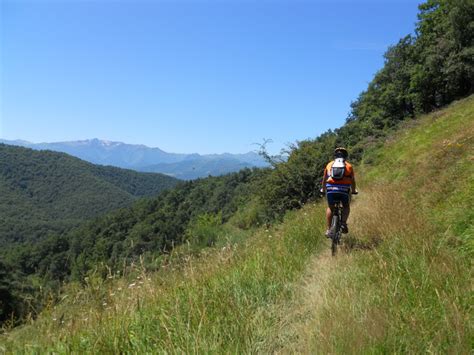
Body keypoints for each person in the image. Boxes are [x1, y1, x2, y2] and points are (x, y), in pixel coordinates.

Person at [321, 147, 358, 237]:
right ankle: (343, 223)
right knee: (346, 206)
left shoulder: (329, 165)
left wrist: (323, 189)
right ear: (345, 156)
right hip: (344, 190)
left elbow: (324, 179)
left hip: (330, 189)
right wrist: (353, 190)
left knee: (330, 207)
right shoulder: (349, 166)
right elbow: (352, 180)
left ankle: (329, 229)